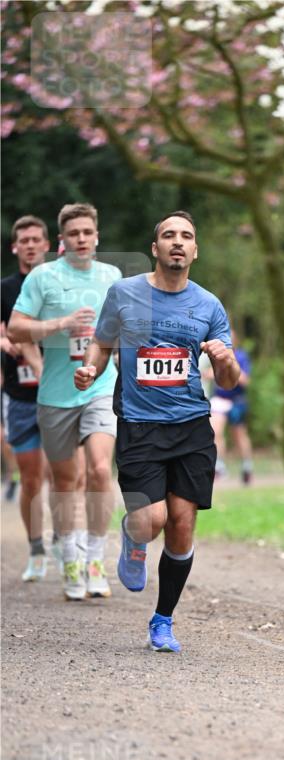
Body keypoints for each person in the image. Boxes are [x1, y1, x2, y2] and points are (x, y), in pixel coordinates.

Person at [74, 211, 240, 652]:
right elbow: (102, 339)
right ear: (155, 248)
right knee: (153, 521)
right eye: (169, 235)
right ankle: (133, 533)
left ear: (195, 250)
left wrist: (223, 359)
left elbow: (229, 380)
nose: (177, 242)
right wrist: (91, 366)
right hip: (139, 426)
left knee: (182, 526)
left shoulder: (208, 305)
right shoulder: (124, 294)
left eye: (186, 236)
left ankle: (162, 620)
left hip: (190, 427)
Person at [8, 203, 121, 600]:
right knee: (66, 481)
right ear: (63, 239)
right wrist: (60, 325)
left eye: (88, 232)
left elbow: (121, 330)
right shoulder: (43, 277)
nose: (82, 239)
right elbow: (17, 328)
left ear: (96, 235)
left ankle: (94, 558)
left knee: (101, 470)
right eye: (74, 233)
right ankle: (69, 556)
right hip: (55, 394)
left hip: (101, 387)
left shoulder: (112, 276)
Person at [1, 215, 51, 580]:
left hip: (60, 393)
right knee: (32, 477)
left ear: (47, 245)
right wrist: (7, 342)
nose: (30, 245)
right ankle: (36, 549)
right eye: (24, 240)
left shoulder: (61, 285)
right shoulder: (4, 289)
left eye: (36, 239)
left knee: (62, 473)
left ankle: (67, 536)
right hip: (20, 395)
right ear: (15, 247)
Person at [210, 329, 254, 484]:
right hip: (220, 400)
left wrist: (232, 368)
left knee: (239, 435)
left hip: (236, 400)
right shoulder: (215, 356)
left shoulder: (241, 356)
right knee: (215, 431)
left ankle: (246, 466)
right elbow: (211, 373)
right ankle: (218, 466)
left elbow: (246, 380)